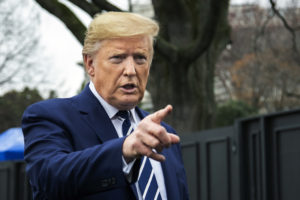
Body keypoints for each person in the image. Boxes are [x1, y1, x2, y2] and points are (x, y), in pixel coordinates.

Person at [22, 12, 189, 200]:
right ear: (90, 64)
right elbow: (47, 180)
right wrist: (124, 150)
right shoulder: (50, 116)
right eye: (118, 58)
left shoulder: (163, 134)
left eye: (140, 58)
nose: (131, 71)